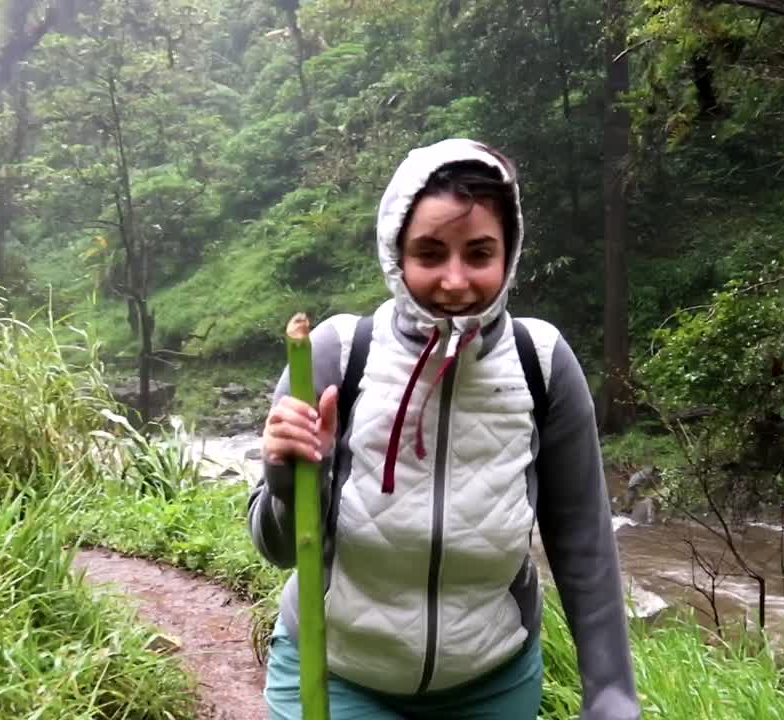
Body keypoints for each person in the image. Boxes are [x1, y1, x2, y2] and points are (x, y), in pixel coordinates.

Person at [248, 138, 640, 719]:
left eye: (479, 254)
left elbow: (583, 540)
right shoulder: (334, 354)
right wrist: (292, 477)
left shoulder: (543, 363)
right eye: (430, 253)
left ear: (509, 254)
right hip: (337, 676)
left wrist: (610, 689)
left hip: (492, 685)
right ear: (395, 254)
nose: (455, 281)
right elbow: (278, 548)